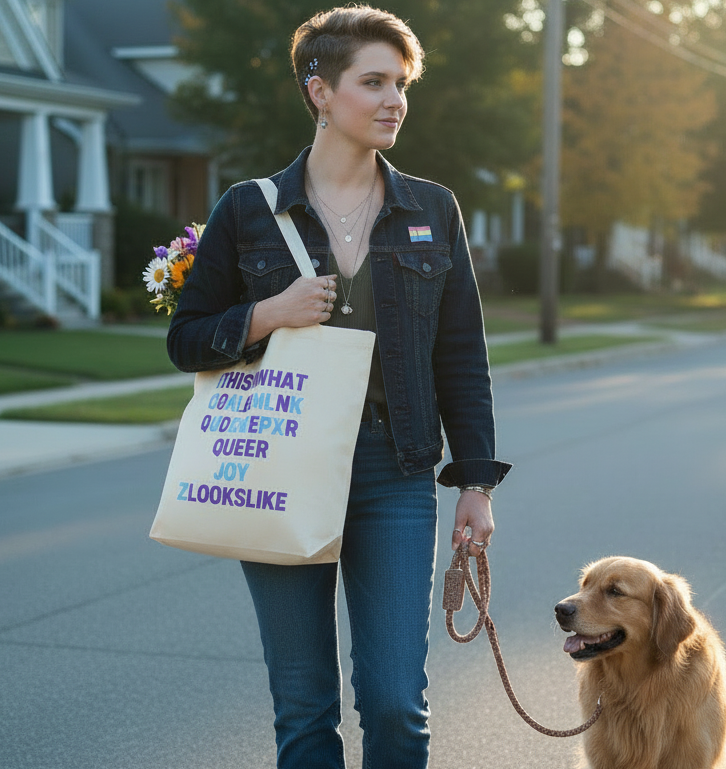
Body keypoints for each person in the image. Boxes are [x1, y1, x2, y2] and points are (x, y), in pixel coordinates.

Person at [167, 6, 511, 768]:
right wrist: (265, 313)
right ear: (319, 90)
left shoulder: (431, 208)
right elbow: (185, 338)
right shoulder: (249, 211)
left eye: (402, 83)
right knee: (303, 706)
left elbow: (460, 354)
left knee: (395, 702)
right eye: (374, 81)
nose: (395, 99)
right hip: (279, 468)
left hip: (395, 471)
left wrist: (476, 482)